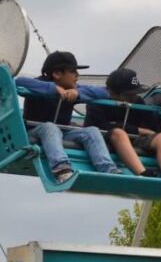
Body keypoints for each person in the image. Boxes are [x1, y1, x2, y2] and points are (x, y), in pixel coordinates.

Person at [15, 51, 119, 185]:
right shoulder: (40, 83)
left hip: (62, 132)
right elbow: (19, 81)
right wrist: (53, 88)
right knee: (50, 127)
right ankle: (62, 169)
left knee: (91, 130)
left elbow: (104, 92)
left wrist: (78, 93)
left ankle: (108, 169)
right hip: (35, 132)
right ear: (57, 74)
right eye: (73, 71)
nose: (77, 75)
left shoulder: (72, 88)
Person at [83, 68, 161, 180]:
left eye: (135, 93)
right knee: (119, 133)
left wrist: (130, 128)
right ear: (113, 93)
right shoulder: (96, 103)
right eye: (129, 95)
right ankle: (143, 173)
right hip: (108, 141)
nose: (134, 97)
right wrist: (137, 130)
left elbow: (151, 128)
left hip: (135, 140)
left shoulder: (138, 102)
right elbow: (96, 128)